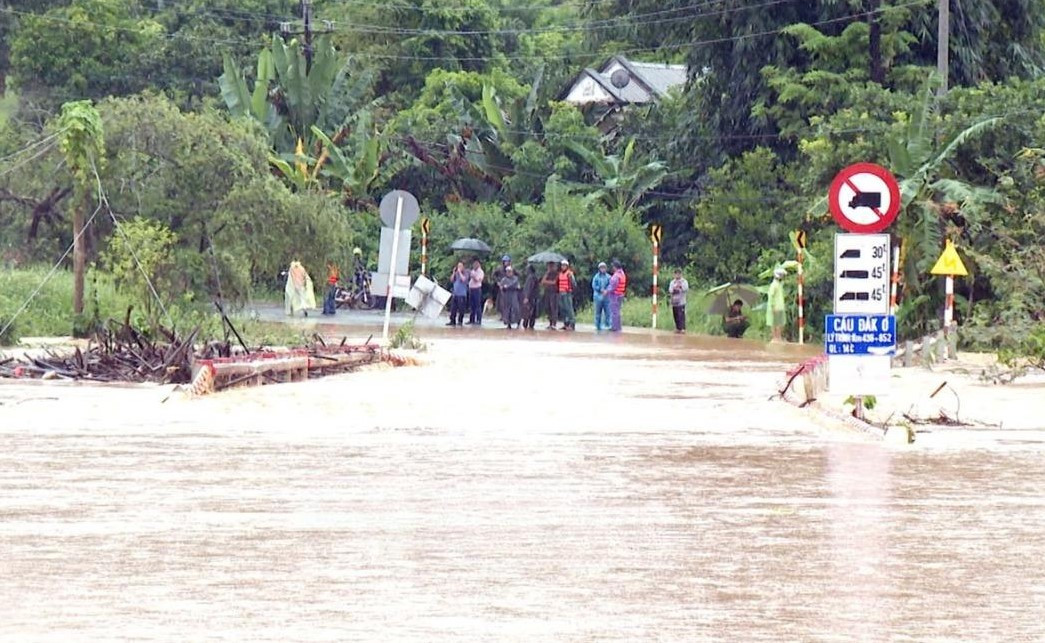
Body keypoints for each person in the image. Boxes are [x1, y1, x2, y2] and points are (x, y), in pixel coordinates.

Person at [767, 267, 787, 342]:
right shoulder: (774, 285)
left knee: (780, 323)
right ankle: (775, 338)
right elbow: (771, 296)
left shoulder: (779, 284)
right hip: (775, 307)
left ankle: (778, 337)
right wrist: (772, 307)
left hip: (780, 306)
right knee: (775, 323)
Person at [606, 260, 627, 332]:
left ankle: (614, 327)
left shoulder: (616, 275)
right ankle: (618, 327)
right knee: (618, 312)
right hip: (621, 294)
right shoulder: (622, 274)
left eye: (613, 266)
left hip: (615, 295)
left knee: (614, 312)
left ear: (615, 267)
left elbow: (613, 286)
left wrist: (606, 291)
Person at [557, 259, 577, 331]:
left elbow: (574, 284)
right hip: (561, 293)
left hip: (567, 293)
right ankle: (566, 324)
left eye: (564, 265)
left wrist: (570, 290)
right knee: (563, 310)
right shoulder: (560, 274)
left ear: (567, 266)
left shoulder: (569, 274)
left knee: (569, 310)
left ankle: (572, 324)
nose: (563, 267)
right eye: (562, 265)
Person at [447, 261, 468, 326]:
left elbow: (464, 280)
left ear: (463, 267)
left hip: (462, 294)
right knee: (453, 308)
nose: (459, 268)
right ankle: (452, 321)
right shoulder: (456, 274)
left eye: (460, 266)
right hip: (455, 294)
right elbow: (451, 280)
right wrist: (454, 273)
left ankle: (460, 321)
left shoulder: (465, 273)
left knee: (461, 309)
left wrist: (460, 272)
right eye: (458, 266)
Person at [591, 262, 611, 331]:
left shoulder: (609, 277)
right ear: (599, 269)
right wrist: (600, 289)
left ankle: (608, 325)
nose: (603, 269)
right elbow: (593, 285)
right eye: (601, 267)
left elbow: (610, 285)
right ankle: (597, 326)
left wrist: (607, 290)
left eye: (604, 267)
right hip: (598, 297)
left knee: (608, 312)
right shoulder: (596, 277)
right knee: (598, 312)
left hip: (606, 297)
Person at [668, 269, 689, 333]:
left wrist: (680, 286)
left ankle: (683, 328)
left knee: (681, 315)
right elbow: (670, 290)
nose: (677, 275)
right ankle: (677, 328)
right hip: (674, 301)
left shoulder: (684, 281)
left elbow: (686, 289)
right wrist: (674, 289)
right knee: (675, 315)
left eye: (679, 273)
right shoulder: (672, 282)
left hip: (681, 301)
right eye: (676, 273)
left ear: (681, 274)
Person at [493, 254, 512, 323]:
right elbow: (494, 275)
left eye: (508, 261)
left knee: (508, 302)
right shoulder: (499, 268)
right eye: (505, 261)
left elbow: (516, 275)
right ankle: (502, 315)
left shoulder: (511, 269)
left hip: (509, 287)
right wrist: (497, 282)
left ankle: (507, 316)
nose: (506, 263)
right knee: (501, 302)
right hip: (501, 287)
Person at [540, 261, 559, 329]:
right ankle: (550, 323)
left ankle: (554, 323)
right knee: (548, 308)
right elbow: (542, 281)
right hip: (547, 292)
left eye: (551, 266)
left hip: (554, 293)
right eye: (549, 266)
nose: (550, 267)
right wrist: (547, 273)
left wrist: (547, 282)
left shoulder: (557, 274)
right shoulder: (547, 274)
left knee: (553, 308)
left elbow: (554, 282)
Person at [521, 264, 541, 330]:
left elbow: (529, 288)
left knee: (528, 312)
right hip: (534, 297)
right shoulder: (534, 276)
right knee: (532, 313)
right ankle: (530, 326)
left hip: (531, 297)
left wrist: (526, 297)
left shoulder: (531, 277)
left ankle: (526, 325)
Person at [467, 258, 484, 325]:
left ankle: (479, 320)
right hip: (471, 288)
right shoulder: (472, 271)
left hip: (477, 289)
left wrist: (473, 276)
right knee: (472, 305)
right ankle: (472, 319)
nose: (474, 265)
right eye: (474, 264)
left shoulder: (481, 272)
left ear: (478, 264)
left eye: (476, 264)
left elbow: (478, 280)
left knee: (477, 305)